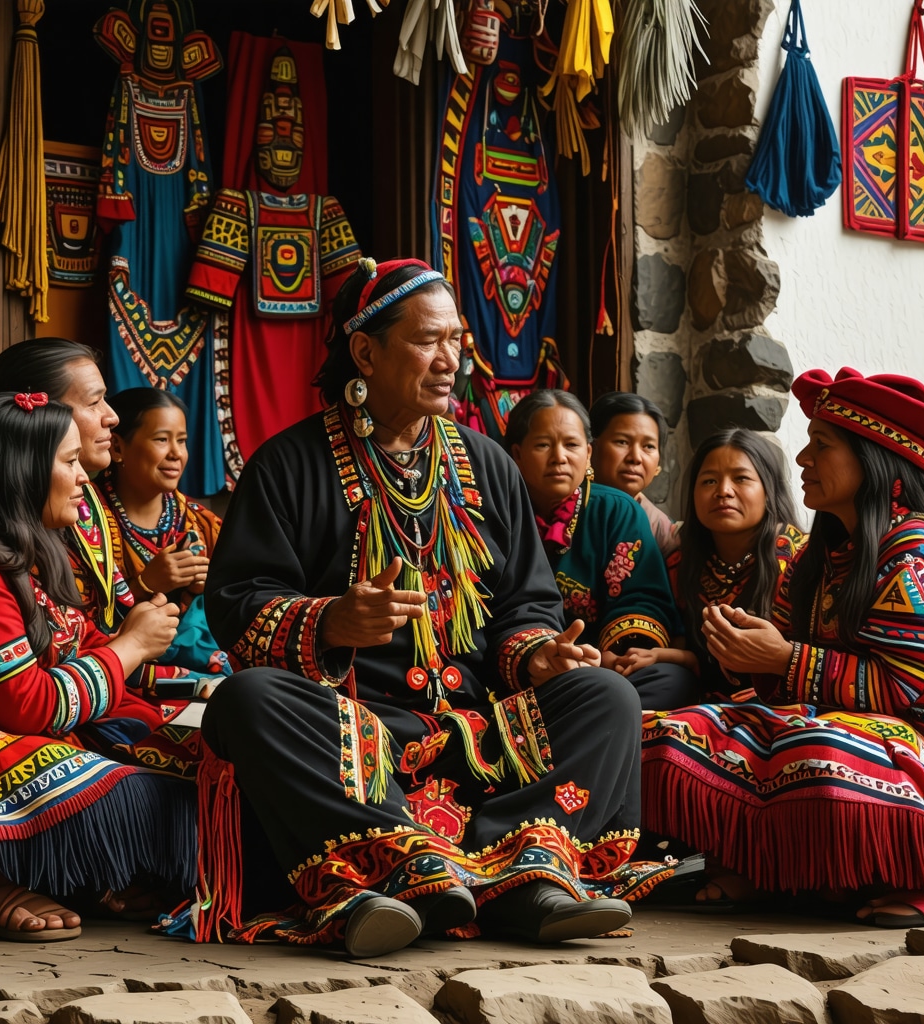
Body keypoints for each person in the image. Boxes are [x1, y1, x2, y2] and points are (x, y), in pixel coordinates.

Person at [200, 257, 662, 957]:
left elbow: (524, 604)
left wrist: (540, 654)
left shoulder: (486, 464)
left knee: (606, 696)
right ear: (365, 350)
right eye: (428, 341)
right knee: (247, 699)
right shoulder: (288, 466)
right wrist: (332, 622)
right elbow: (240, 603)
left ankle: (522, 875)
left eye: (457, 341)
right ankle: (389, 871)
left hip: (474, 725)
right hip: (352, 726)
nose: (451, 361)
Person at [642, 368, 924, 925]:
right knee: (671, 731)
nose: (801, 460)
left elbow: (901, 689)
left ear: (873, 458)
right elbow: (782, 674)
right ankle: (774, 868)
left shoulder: (912, 552)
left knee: (815, 753)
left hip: (920, 739)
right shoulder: (820, 558)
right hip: (842, 720)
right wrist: (745, 655)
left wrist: (784, 659)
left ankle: (917, 870)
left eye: (820, 446)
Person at [0, 394, 196, 941]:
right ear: (21, 472)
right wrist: (131, 648)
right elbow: (28, 705)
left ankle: (88, 876)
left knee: (187, 765)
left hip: (18, 730)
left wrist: (168, 706)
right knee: (137, 796)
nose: (84, 479)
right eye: (69, 463)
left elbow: (82, 650)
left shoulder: (30, 551)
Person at [0, 340, 190, 700]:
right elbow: (31, 696)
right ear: (39, 416)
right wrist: (140, 615)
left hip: (93, 687)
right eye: (94, 402)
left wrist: (187, 679)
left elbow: (92, 636)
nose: (112, 417)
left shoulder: (86, 502)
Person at [505, 389, 699, 710]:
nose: (559, 457)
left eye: (571, 445)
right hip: (522, 664)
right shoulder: (496, 510)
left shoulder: (616, 510)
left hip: (597, 666)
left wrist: (614, 656)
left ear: (588, 453)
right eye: (542, 445)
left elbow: (640, 597)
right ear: (516, 453)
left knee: (672, 682)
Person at [658, 428, 805, 702]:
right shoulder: (680, 563)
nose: (723, 491)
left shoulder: (800, 560)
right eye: (709, 481)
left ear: (768, 490)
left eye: (741, 478)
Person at [96, 388, 229, 677]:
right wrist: (146, 584)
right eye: (161, 439)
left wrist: (208, 590)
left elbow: (242, 606)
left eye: (181, 441)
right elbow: (77, 624)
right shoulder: (86, 522)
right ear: (117, 447)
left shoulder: (203, 525)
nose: (176, 453)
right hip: (118, 675)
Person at [590, 392, 680, 557]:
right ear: (591, 448)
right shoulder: (563, 513)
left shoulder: (663, 534)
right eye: (622, 442)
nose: (636, 458)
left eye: (648, 446)